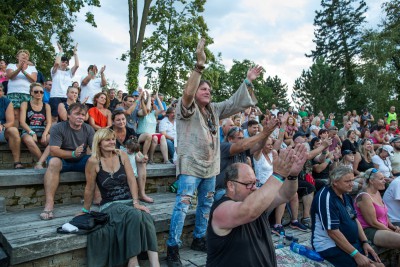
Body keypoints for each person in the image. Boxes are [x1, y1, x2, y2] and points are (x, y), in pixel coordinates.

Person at [166, 38, 260, 266]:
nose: (208, 92)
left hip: (210, 165)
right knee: (183, 204)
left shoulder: (214, 110)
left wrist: (247, 80)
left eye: (209, 89)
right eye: (203, 88)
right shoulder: (184, 107)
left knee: (206, 204)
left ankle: (199, 237)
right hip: (190, 165)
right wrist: (199, 66)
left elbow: (234, 103)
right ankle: (172, 247)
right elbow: (187, 94)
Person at [206, 145, 308, 267]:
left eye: (255, 183)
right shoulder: (221, 209)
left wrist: (292, 176)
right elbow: (248, 211)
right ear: (231, 186)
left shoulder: (256, 202)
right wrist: (278, 175)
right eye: (249, 184)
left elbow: (286, 194)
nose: (254, 188)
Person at [83, 129, 159, 267]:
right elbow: (89, 188)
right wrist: (85, 210)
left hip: (128, 202)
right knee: (135, 215)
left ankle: (156, 264)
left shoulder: (121, 155)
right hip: (110, 205)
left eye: (113, 139)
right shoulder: (93, 161)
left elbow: (131, 180)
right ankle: (132, 261)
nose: (112, 142)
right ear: (99, 143)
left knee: (147, 217)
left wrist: (136, 201)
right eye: (107, 139)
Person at [311, 166, 383, 267]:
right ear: (335, 182)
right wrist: (356, 254)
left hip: (350, 242)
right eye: (347, 181)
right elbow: (333, 232)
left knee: (380, 265)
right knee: (371, 266)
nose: (352, 184)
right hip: (329, 246)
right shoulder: (325, 198)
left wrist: (365, 242)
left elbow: (354, 219)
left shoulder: (345, 194)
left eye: (352, 180)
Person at [40, 103, 95, 220]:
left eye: (83, 114)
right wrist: (73, 153)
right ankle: (49, 204)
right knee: (53, 162)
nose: (80, 117)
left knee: (95, 161)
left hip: (81, 161)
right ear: (69, 115)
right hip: (62, 160)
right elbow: (54, 151)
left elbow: (95, 149)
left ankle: (98, 197)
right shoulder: (58, 127)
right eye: (77, 114)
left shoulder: (89, 129)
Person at [112, 109, 153, 203]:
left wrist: (142, 157)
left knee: (142, 163)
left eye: (123, 119)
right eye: (118, 120)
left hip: (129, 156)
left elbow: (136, 149)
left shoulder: (130, 131)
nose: (121, 122)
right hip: (114, 157)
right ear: (113, 121)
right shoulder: (109, 131)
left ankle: (142, 194)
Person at [354, 168, 400, 250]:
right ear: (371, 181)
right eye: (381, 179)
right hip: (369, 230)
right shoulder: (365, 197)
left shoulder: (377, 192)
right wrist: (390, 230)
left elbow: (384, 214)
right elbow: (373, 222)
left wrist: (393, 227)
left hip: (381, 227)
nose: (384, 181)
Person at [19, 83, 52, 169]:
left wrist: (45, 134)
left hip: (42, 130)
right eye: (36, 91)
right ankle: (43, 162)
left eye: (41, 92)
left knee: (53, 140)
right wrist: (32, 133)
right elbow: (22, 122)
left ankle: (40, 163)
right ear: (31, 93)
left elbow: (49, 122)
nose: (39, 94)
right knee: (29, 140)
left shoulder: (46, 106)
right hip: (28, 129)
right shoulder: (25, 104)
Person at [6, 49, 38, 127]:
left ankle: (25, 133)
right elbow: (10, 76)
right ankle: (16, 134)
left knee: (26, 114)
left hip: (27, 93)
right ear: (17, 57)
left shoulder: (32, 68)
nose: (25, 56)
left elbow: (33, 80)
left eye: (27, 56)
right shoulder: (11, 65)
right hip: (13, 92)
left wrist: (23, 71)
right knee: (15, 114)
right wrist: (19, 69)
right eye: (23, 55)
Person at [137, 90, 170, 164]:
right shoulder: (140, 112)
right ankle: (148, 157)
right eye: (150, 103)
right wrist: (149, 97)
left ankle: (166, 160)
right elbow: (147, 109)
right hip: (142, 134)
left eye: (152, 103)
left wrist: (157, 98)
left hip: (152, 134)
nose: (152, 104)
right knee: (151, 136)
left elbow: (162, 109)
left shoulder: (153, 113)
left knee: (161, 137)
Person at [49, 43, 79, 121]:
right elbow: (56, 63)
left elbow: (77, 65)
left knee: (67, 117)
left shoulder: (69, 73)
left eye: (66, 63)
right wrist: (61, 51)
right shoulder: (54, 71)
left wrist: (75, 53)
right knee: (55, 117)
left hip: (66, 97)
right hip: (55, 96)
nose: (64, 63)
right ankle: (53, 133)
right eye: (63, 62)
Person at [0, 84, 23, 169]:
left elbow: (11, 122)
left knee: (13, 130)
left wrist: (2, 126)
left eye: (0, 90)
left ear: (2, 92)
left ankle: (17, 162)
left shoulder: (6, 101)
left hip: (1, 130)